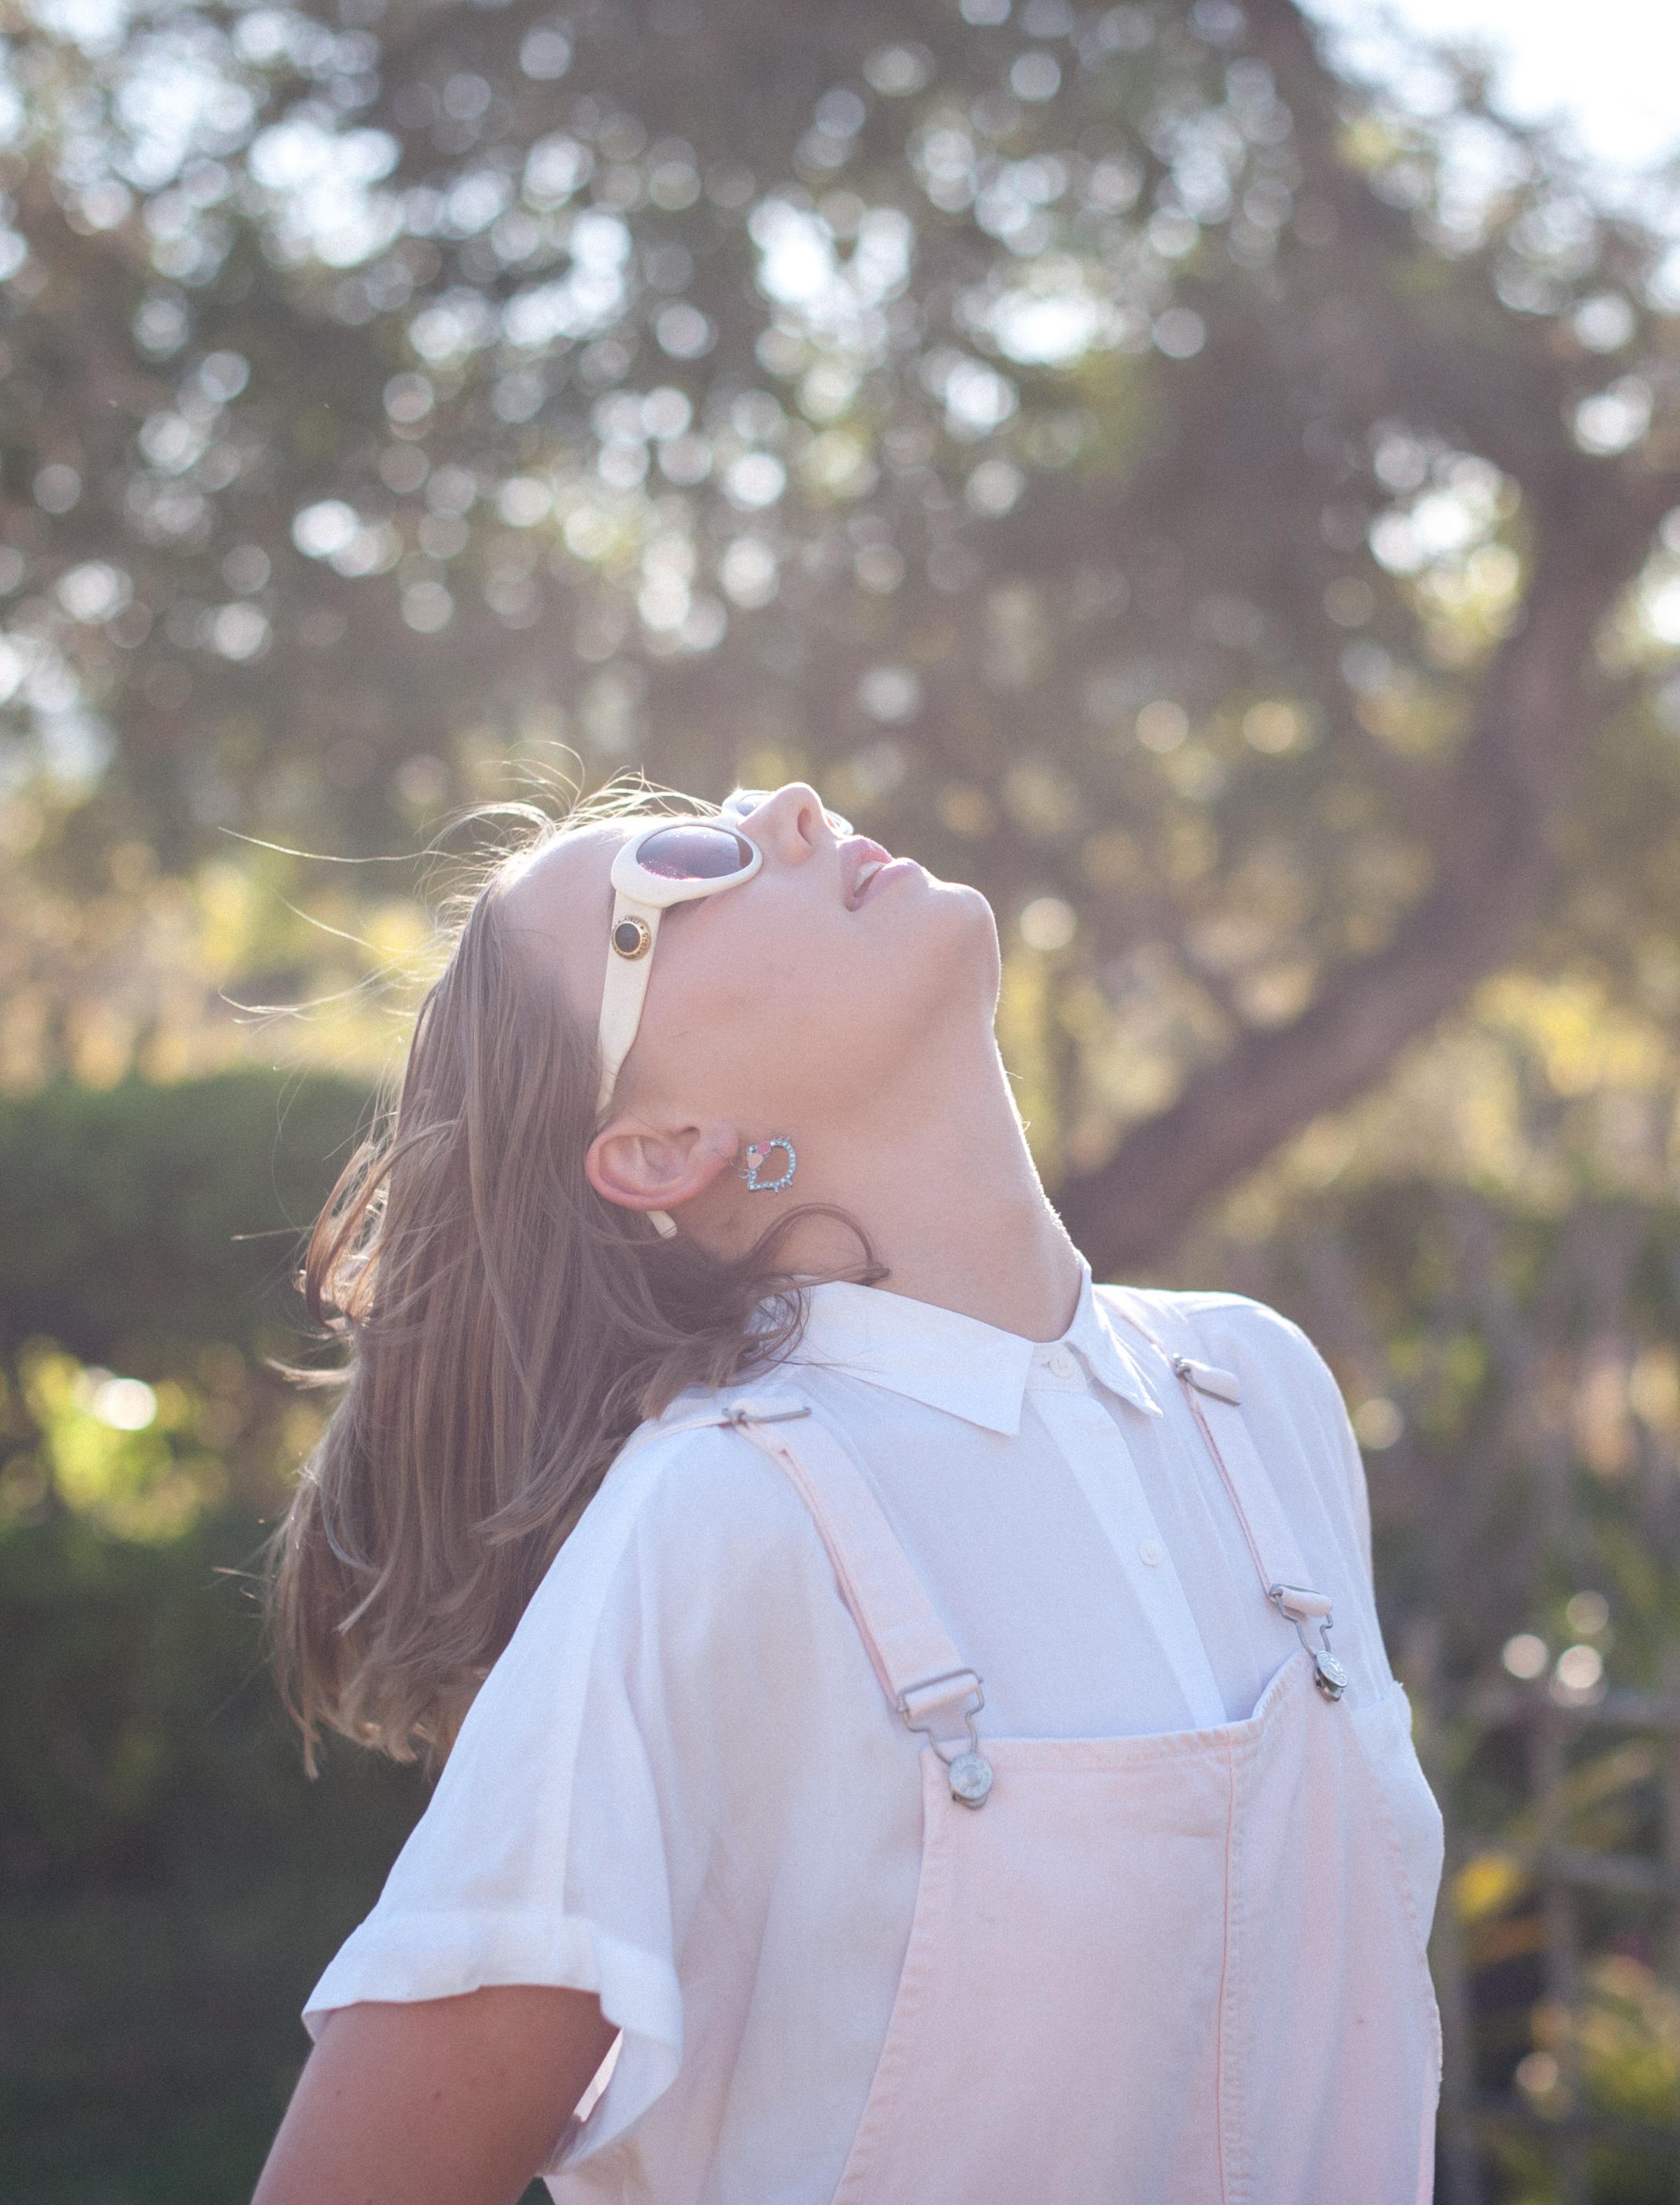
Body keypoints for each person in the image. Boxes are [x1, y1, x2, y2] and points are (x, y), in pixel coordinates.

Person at [248, 779, 1445, 2205]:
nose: (791, 809)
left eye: (729, 809)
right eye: (680, 867)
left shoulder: (1258, 1393)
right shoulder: (712, 1519)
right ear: (660, 1146)